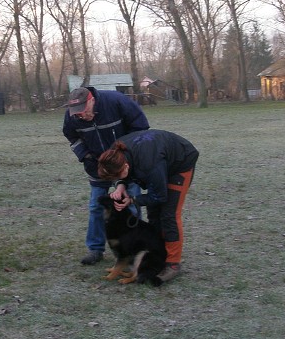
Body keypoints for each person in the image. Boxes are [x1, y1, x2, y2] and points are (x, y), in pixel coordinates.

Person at [97, 130, 199, 283]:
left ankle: (173, 263)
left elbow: (160, 196)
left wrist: (132, 200)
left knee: (168, 214)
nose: (116, 179)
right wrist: (120, 185)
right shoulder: (113, 155)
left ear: (125, 166)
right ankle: (156, 257)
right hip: (158, 159)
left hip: (180, 162)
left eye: (117, 176)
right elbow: (124, 177)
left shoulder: (150, 165)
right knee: (153, 213)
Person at [63, 86, 149, 265]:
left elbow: (141, 129)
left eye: (83, 111)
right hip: (97, 167)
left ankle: (134, 247)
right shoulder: (72, 116)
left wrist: (127, 156)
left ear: (91, 100)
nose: (80, 115)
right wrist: (85, 156)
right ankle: (95, 249)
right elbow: (71, 135)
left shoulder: (117, 101)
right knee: (96, 206)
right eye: (76, 113)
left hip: (125, 164)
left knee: (130, 206)